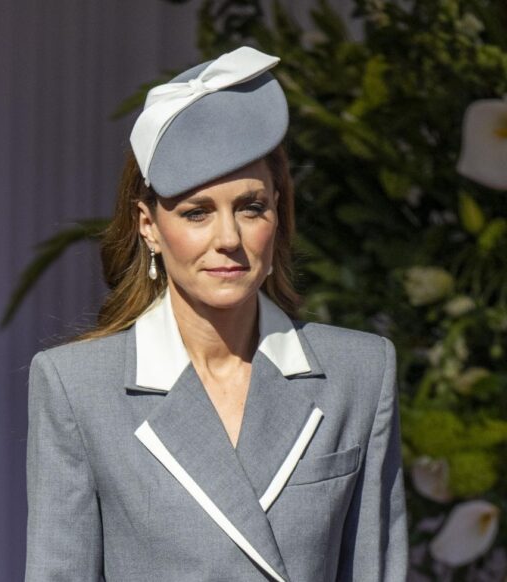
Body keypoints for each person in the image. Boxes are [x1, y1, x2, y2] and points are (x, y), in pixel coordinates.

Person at [25, 47, 406, 581]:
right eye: (196, 212)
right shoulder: (77, 386)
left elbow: (375, 568)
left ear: (279, 211)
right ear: (148, 225)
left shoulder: (359, 372)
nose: (228, 239)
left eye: (251, 208)